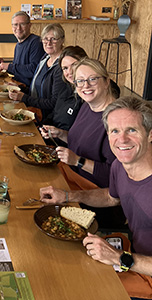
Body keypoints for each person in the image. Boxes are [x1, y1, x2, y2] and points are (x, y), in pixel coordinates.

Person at [39, 96, 152, 299]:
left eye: (132, 130)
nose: (122, 139)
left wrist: (120, 258)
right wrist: (67, 195)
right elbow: (111, 197)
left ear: (150, 134)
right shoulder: (120, 165)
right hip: (133, 257)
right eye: (115, 131)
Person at [41, 57, 125, 228]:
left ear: (107, 81)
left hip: (94, 201)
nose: (85, 86)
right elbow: (80, 142)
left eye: (92, 79)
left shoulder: (117, 121)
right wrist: (61, 134)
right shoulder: (88, 106)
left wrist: (78, 161)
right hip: (71, 181)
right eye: (80, 81)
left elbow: (116, 179)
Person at [9, 23, 68, 121]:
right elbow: (37, 89)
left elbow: (53, 103)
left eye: (53, 39)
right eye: (45, 39)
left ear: (62, 40)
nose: (48, 43)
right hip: (35, 111)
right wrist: (19, 89)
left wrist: (24, 98)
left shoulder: (62, 66)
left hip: (47, 119)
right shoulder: (45, 58)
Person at [0, 11, 44, 87]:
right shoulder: (18, 45)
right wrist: (2, 65)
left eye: (22, 24)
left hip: (28, 92)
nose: (18, 28)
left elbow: (34, 70)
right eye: (15, 25)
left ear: (29, 25)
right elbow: (18, 70)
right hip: (16, 85)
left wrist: (9, 66)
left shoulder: (36, 42)